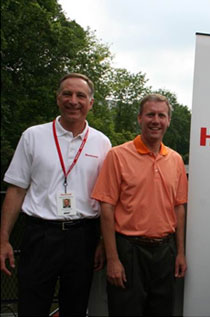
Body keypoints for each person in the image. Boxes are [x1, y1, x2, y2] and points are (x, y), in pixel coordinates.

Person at [0, 73, 111, 316]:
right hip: (40, 235)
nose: (74, 100)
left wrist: (103, 241)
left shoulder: (102, 143)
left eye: (81, 95)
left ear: (90, 103)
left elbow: (106, 199)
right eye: (67, 94)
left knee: (76, 307)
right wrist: (4, 239)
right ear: (57, 98)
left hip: (83, 237)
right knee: (32, 305)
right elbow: (17, 189)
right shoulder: (33, 136)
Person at [91, 93, 188, 316]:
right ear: (139, 118)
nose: (156, 120)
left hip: (165, 252)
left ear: (168, 120)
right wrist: (113, 259)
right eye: (150, 115)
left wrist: (180, 253)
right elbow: (106, 208)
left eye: (161, 115)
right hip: (129, 251)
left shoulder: (175, 160)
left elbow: (179, 207)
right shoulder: (117, 156)